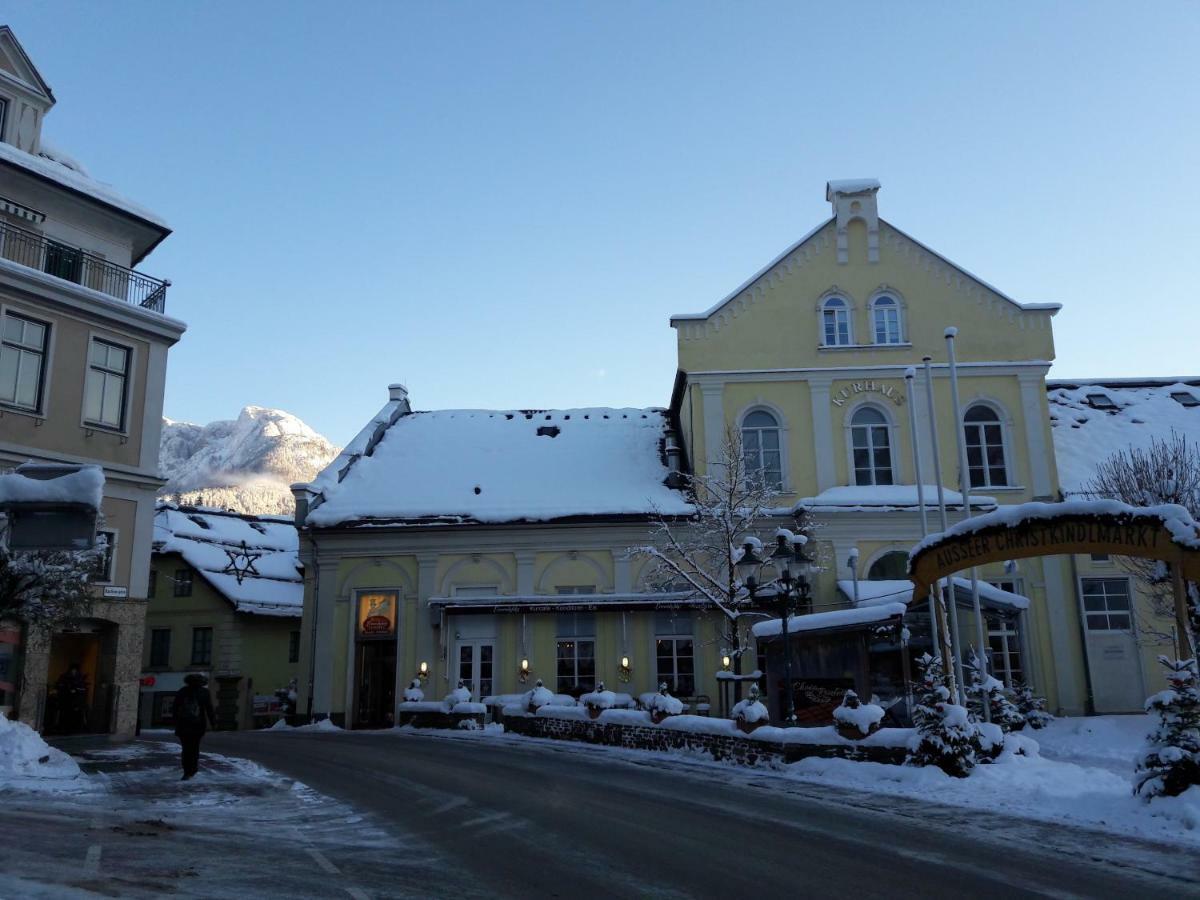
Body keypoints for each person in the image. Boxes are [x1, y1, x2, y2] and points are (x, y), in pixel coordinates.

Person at [172, 673, 217, 780]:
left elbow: (174, 708)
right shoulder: (204, 692)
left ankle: (187, 771)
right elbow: (209, 709)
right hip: (198, 725)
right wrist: (213, 722)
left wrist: (176, 722)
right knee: (194, 747)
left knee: (186, 748)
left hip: (184, 725)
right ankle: (193, 769)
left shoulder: (182, 691)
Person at [55, 663, 89, 735]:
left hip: (76, 702)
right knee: (64, 716)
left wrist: (76, 690)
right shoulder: (64, 677)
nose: (73, 671)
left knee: (74, 717)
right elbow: (59, 686)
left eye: (75, 670)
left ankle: (73, 730)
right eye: (72, 670)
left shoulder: (80, 678)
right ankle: (63, 729)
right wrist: (67, 689)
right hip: (66, 701)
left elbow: (83, 689)